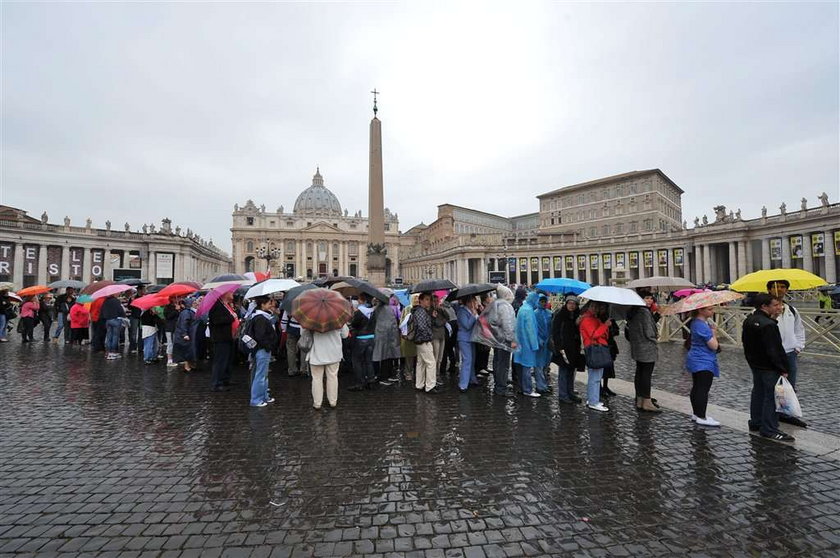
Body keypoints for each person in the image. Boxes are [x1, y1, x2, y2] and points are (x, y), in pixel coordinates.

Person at [743, 293, 794, 441]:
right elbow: (774, 350)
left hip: (756, 364)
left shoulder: (749, 320)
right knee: (772, 397)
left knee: (758, 392)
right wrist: (783, 368)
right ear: (764, 306)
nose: (780, 307)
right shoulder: (769, 325)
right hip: (769, 367)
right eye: (775, 305)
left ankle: (756, 422)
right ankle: (770, 428)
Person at [767, 280, 808, 428]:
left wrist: (798, 346)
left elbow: (799, 329)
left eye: (783, 287)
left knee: (790, 384)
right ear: (769, 289)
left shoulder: (791, 310)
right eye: (776, 287)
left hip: (790, 352)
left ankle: (788, 413)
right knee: (772, 384)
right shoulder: (764, 310)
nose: (780, 289)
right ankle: (771, 415)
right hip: (772, 354)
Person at [626, 291, 662, 413]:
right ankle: (647, 401)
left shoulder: (633, 311)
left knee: (640, 373)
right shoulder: (644, 312)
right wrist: (655, 337)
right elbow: (649, 331)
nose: (650, 301)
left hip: (637, 346)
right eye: (646, 298)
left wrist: (656, 317)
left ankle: (640, 399)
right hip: (647, 347)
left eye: (651, 298)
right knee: (646, 374)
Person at [685, 304, 721, 426]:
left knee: (697, 387)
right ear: (700, 310)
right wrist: (714, 332)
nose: (712, 311)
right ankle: (701, 416)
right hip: (703, 360)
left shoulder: (695, 322)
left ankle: (697, 414)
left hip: (696, 358)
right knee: (702, 389)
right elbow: (714, 346)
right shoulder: (702, 326)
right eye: (709, 309)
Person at [303, 323, 350, 409]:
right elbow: (345, 335)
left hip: (316, 354)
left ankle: (317, 403)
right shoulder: (337, 319)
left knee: (316, 379)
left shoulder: (311, 320)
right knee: (333, 377)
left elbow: (302, 333)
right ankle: (332, 401)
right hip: (334, 354)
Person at [484, 285, 517, 397]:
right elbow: (508, 325)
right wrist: (511, 339)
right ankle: (501, 387)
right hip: (504, 340)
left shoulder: (495, 305)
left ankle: (499, 384)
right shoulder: (505, 307)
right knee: (503, 364)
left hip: (497, 338)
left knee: (497, 362)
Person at [579, 301, 612, 412]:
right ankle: (593, 401)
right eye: (593, 306)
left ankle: (592, 398)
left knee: (595, 376)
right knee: (595, 377)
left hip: (596, 348)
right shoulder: (588, 319)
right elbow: (594, 335)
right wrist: (604, 325)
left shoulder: (593, 318)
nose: (595, 309)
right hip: (595, 348)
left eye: (596, 307)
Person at [552, 295, 584, 404]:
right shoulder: (560, 315)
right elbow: (555, 332)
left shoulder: (576, 315)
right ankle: (563, 395)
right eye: (569, 303)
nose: (571, 306)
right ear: (566, 304)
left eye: (574, 304)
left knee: (571, 371)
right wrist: (559, 347)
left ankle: (570, 392)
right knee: (564, 371)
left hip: (574, 348)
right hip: (563, 348)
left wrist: (577, 324)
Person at [249, 296, 279, 407]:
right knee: (260, 375)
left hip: (262, 349)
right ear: (262, 305)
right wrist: (268, 346)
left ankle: (264, 396)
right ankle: (256, 399)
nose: (270, 305)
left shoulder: (261, 316)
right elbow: (260, 336)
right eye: (268, 303)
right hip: (262, 349)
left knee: (263, 375)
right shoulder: (260, 318)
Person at [209, 290, 239, 392]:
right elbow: (217, 320)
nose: (232, 294)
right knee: (220, 360)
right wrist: (231, 318)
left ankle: (225, 378)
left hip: (229, 336)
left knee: (228, 359)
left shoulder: (227, 305)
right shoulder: (216, 306)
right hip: (221, 337)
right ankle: (217, 383)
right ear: (224, 294)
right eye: (230, 293)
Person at [513, 291, 542, 398]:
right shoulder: (529, 311)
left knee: (520, 367)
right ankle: (528, 389)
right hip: (527, 344)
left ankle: (522, 387)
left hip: (520, 343)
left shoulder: (522, 308)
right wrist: (535, 345)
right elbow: (531, 330)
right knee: (527, 367)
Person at [412, 293, 442, 393]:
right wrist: (428, 336)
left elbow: (425, 324)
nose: (428, 301)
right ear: (421, 301)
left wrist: (432, 317)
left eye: (429, 299)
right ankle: (430, 386)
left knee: (421, 363)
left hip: (420, 340)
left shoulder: (422, 311)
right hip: (423, 340)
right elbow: (422, 327)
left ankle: (419, 384)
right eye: (426, 299)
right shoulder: (420, 311)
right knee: (431, 363)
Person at [348, 293, 376, 390]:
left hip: (361, 338)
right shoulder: (373, 311)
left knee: (357, 361)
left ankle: (360, 383)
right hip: (371, 338)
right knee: (368, 360)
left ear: (361, 300)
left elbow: (354, 325)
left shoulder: (360, 312)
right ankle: (371, 380)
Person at [372, 296, 402, 385]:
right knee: (384, 357)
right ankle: (384, 377)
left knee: (388, 357)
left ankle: (388, 375)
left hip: (388, 336)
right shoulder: (382, 308)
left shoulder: (382, 308)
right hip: (385, 336)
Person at [455, 295, 478, 392]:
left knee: (472, 359)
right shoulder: (462, 312)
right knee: (467, 360)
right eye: (474, 301)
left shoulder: (471, 311)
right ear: (468, 302)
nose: (475, 303)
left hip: (471, 338)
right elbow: (467, 325)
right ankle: (463, 384)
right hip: (464, 339)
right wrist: (473, 315)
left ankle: (472, 379)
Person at [534, 294, 553, 394]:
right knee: (538, 365)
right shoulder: (535, 314)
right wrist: (538, 339)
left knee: (546, 365)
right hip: (539, 343)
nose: (543, 303)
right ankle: (540, 386)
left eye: (544, 301)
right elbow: (533, 329)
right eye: (541, 301)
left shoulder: (549, 313)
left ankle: (545, 384)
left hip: (548, 343)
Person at [174, 297, 198, 372]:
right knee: (187, 350)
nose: (196, 304)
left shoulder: (189, 311)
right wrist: (185, 334)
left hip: (190, 333)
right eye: (194, 303)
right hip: (187, 334)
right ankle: (187, 366)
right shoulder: (186, 312)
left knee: (190, 350)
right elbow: (183, 323)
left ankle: (190, 364)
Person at [101, 293, 127, 359]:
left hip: (108, 320)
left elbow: (102, 311)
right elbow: (121, 310)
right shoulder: (116, 301)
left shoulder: (105, 301)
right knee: (115, 336)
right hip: (115, 320)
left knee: (109, 336)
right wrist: (124, 316)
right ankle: (113, 352)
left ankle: (108, 352)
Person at [127, 285, 146, 354]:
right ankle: (133, 347)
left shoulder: (145, 297)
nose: (144, 291)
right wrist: (132, 301)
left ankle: (141, 348)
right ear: (139, 290)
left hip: (142, 317)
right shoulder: (133, 297)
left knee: (141, 333)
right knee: (133, 333)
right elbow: (129, 307)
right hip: (134, 317)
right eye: (143, 290)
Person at [163, 297, 181, 368]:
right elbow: (168, 316)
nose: (178, 299)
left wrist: (180, 309)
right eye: (175, 298)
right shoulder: (168, 307)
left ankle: (176, 358)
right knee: (170, 344)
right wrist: (176, 310)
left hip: (177, 328)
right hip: (170, 328)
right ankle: (169, 360)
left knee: (176, 343)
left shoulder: (179, 306)